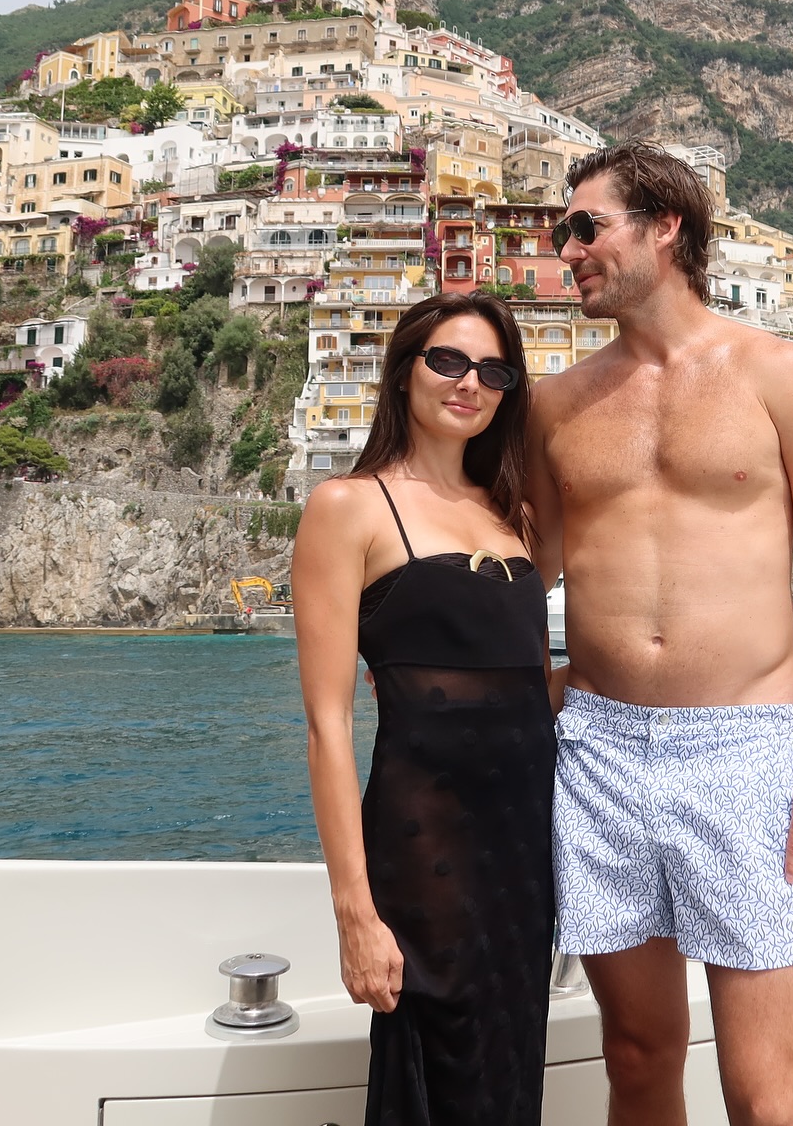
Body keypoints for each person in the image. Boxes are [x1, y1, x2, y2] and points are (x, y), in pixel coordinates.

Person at [527, 141, 793, 1126]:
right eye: (563, 235)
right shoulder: (556, 407)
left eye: (587, 227)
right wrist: (449, 672)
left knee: (764, 1098)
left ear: (666, 225)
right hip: (595, 754)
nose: (570, 252)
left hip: (746, 752)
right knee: (637, 1056)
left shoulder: (781, 376)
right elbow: (525, 579)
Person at [293, 293, 555, 1126]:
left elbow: (521, 688)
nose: (468, 382)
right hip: (425, 845)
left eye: (492, 370)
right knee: (442, 1076)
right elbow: (328, 725)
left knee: (510, 1071)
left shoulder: (515, 516)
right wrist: (355, 915)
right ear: (405, 368)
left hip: (523, 850)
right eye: (447, 360)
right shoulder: (349, 508)